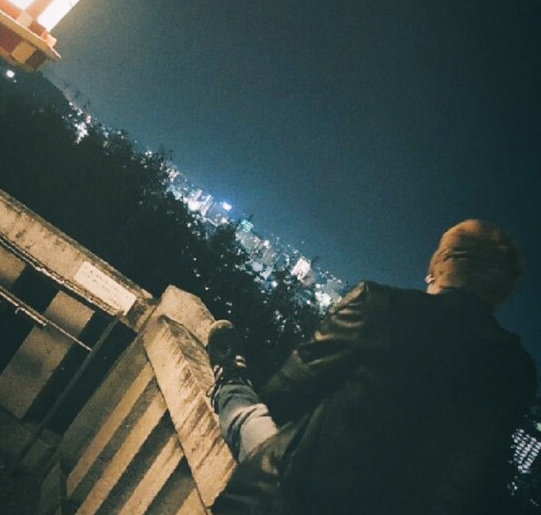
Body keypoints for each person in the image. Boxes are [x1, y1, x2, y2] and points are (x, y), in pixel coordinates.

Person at [206, 219, 537, 515]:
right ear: (500, 292)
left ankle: (230, 381)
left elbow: (281, 397)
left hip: (294, 499)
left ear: (440, 264)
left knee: (249, 415)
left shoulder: (382, 308)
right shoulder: (516, 373)